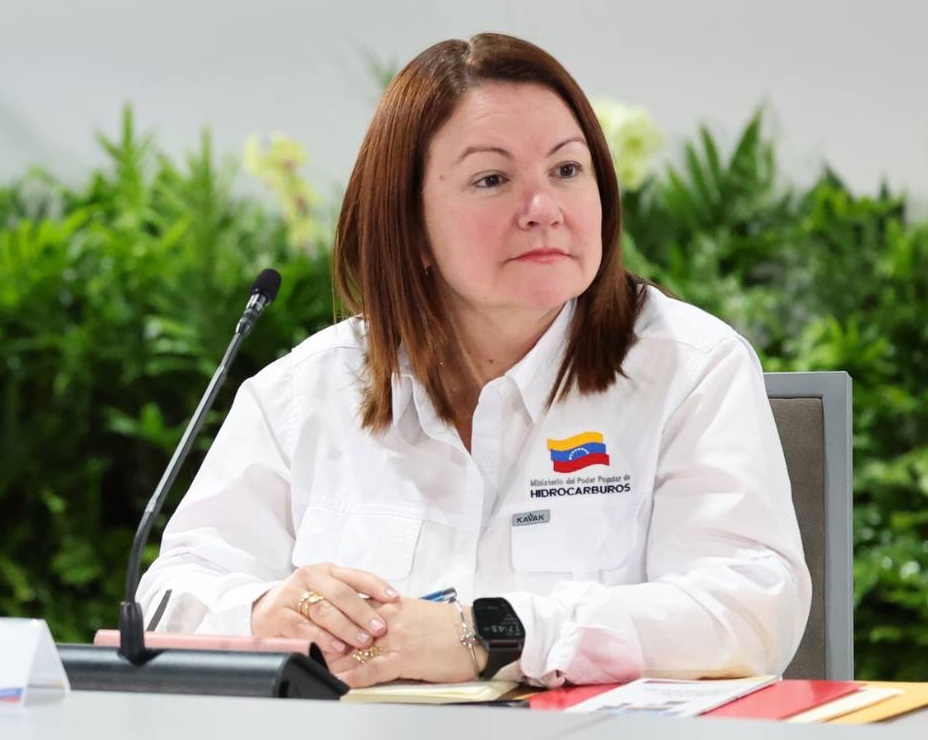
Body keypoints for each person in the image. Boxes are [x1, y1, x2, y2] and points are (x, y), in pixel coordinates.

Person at [137, 32, 811, 689]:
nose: (543, 209)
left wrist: (493, 635)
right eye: (492, 179)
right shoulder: (303, 392)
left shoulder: (691, 369)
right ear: (409, 225)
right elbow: (168, 597)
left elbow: (749, 610)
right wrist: (263, 614)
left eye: (567, 170)